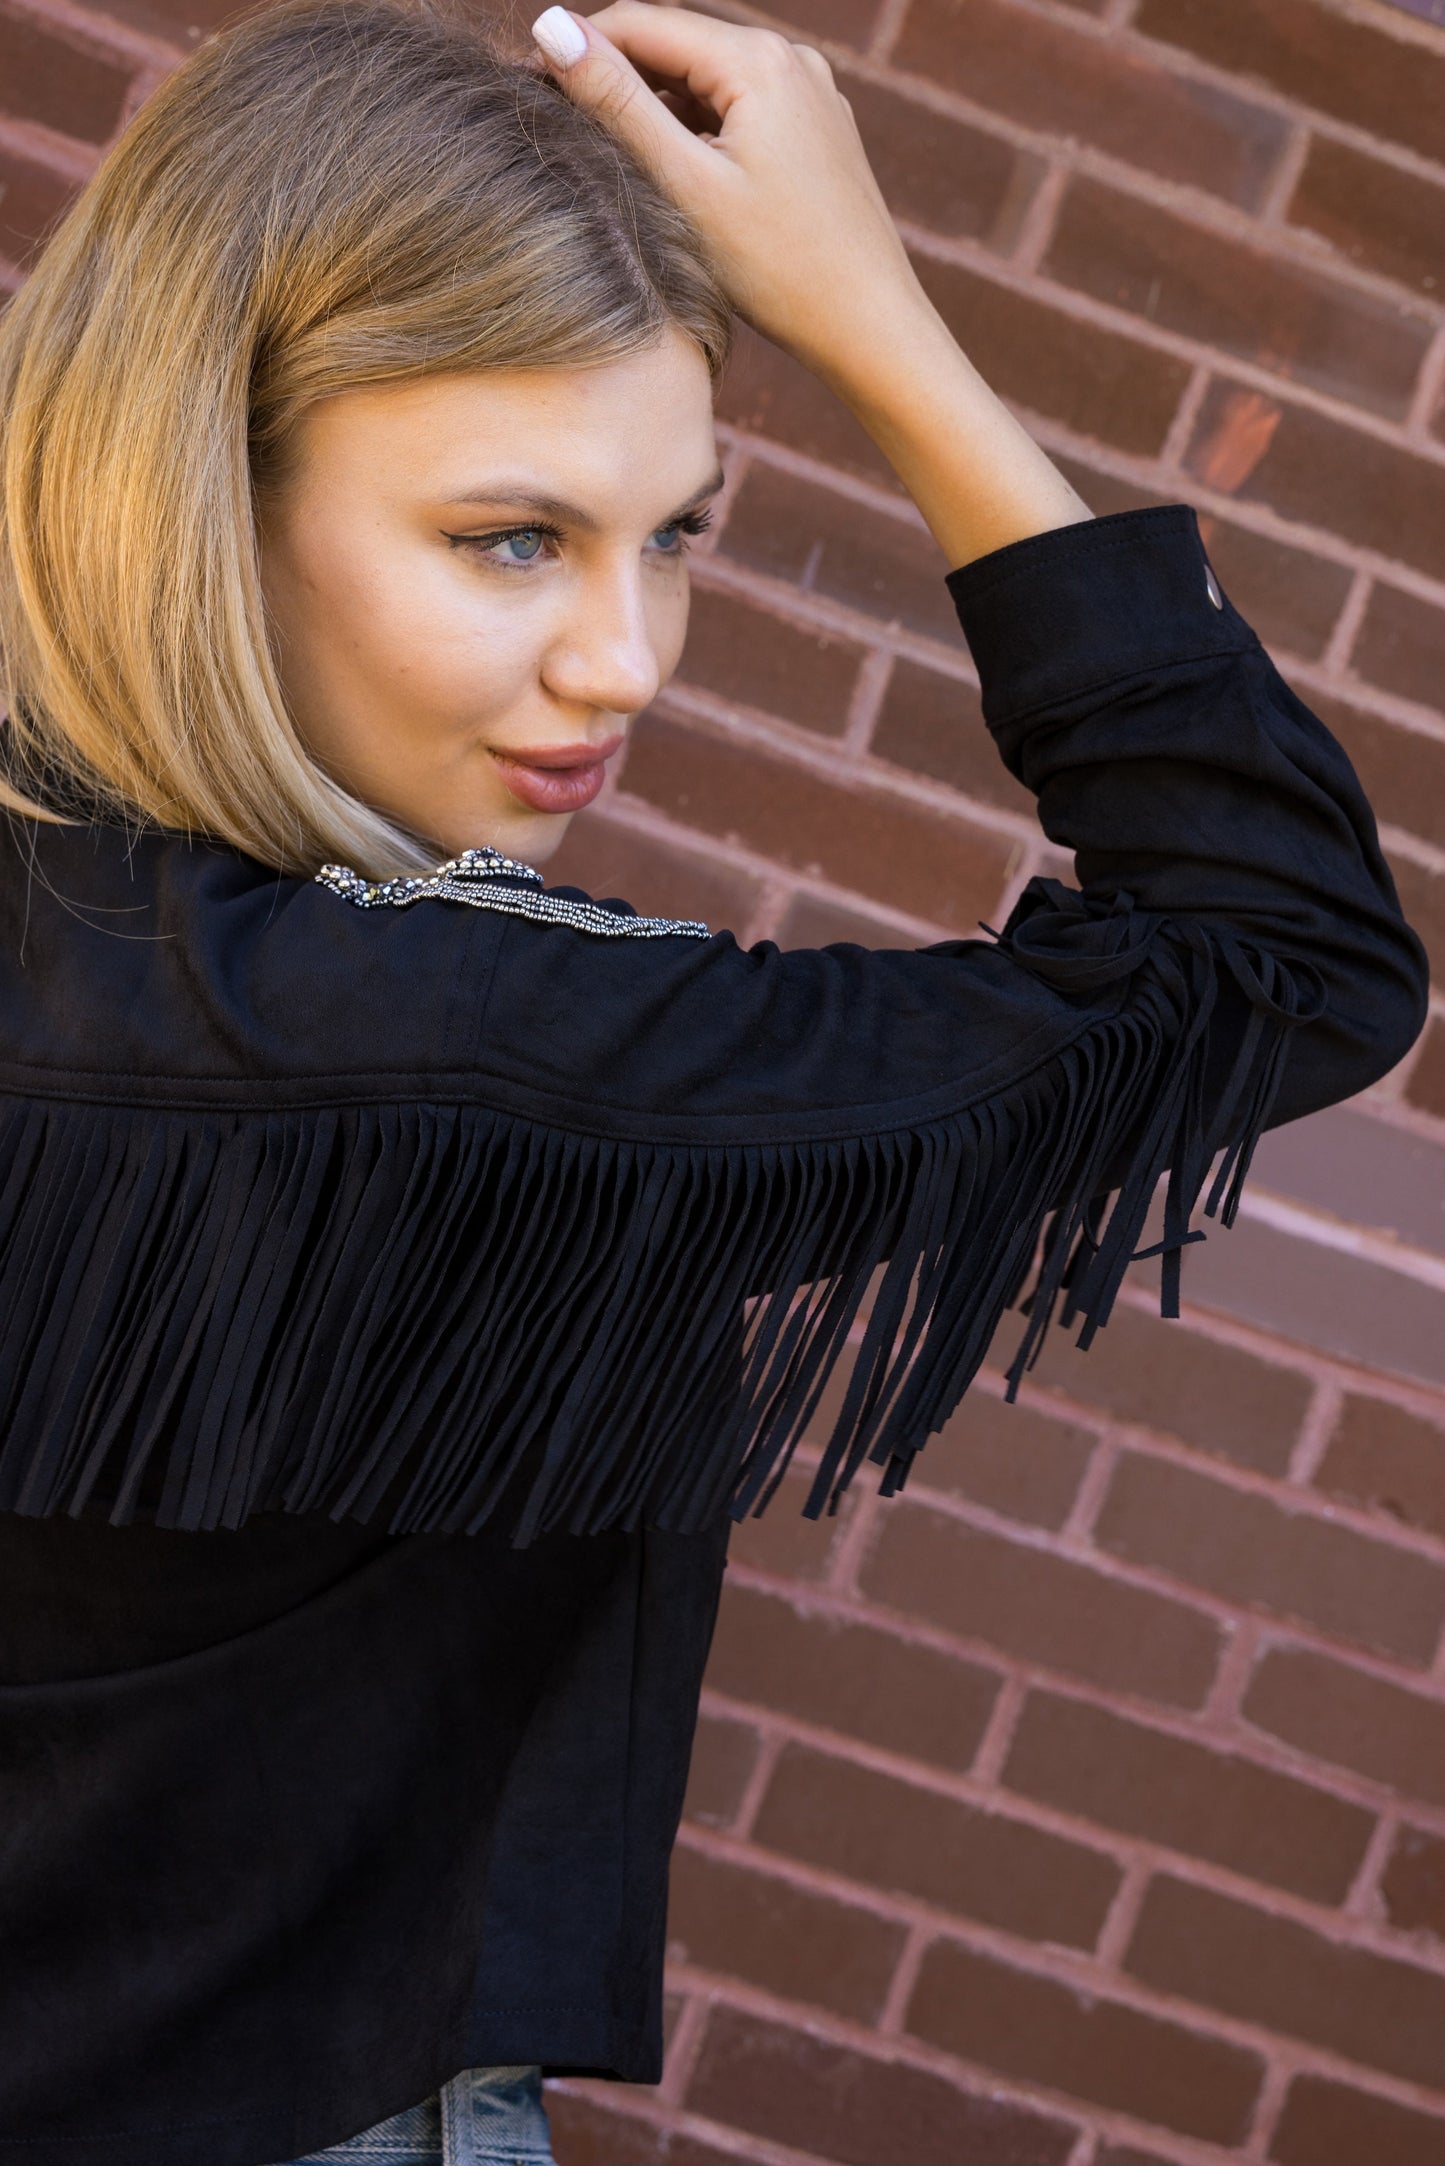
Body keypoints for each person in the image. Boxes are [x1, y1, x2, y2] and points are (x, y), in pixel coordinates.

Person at [0, 0, 1426, 2161]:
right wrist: (880, 323)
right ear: (203, 489)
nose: (628, 663)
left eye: (677, 535)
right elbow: (1284, 950)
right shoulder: (464, 1044)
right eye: (513, 538)